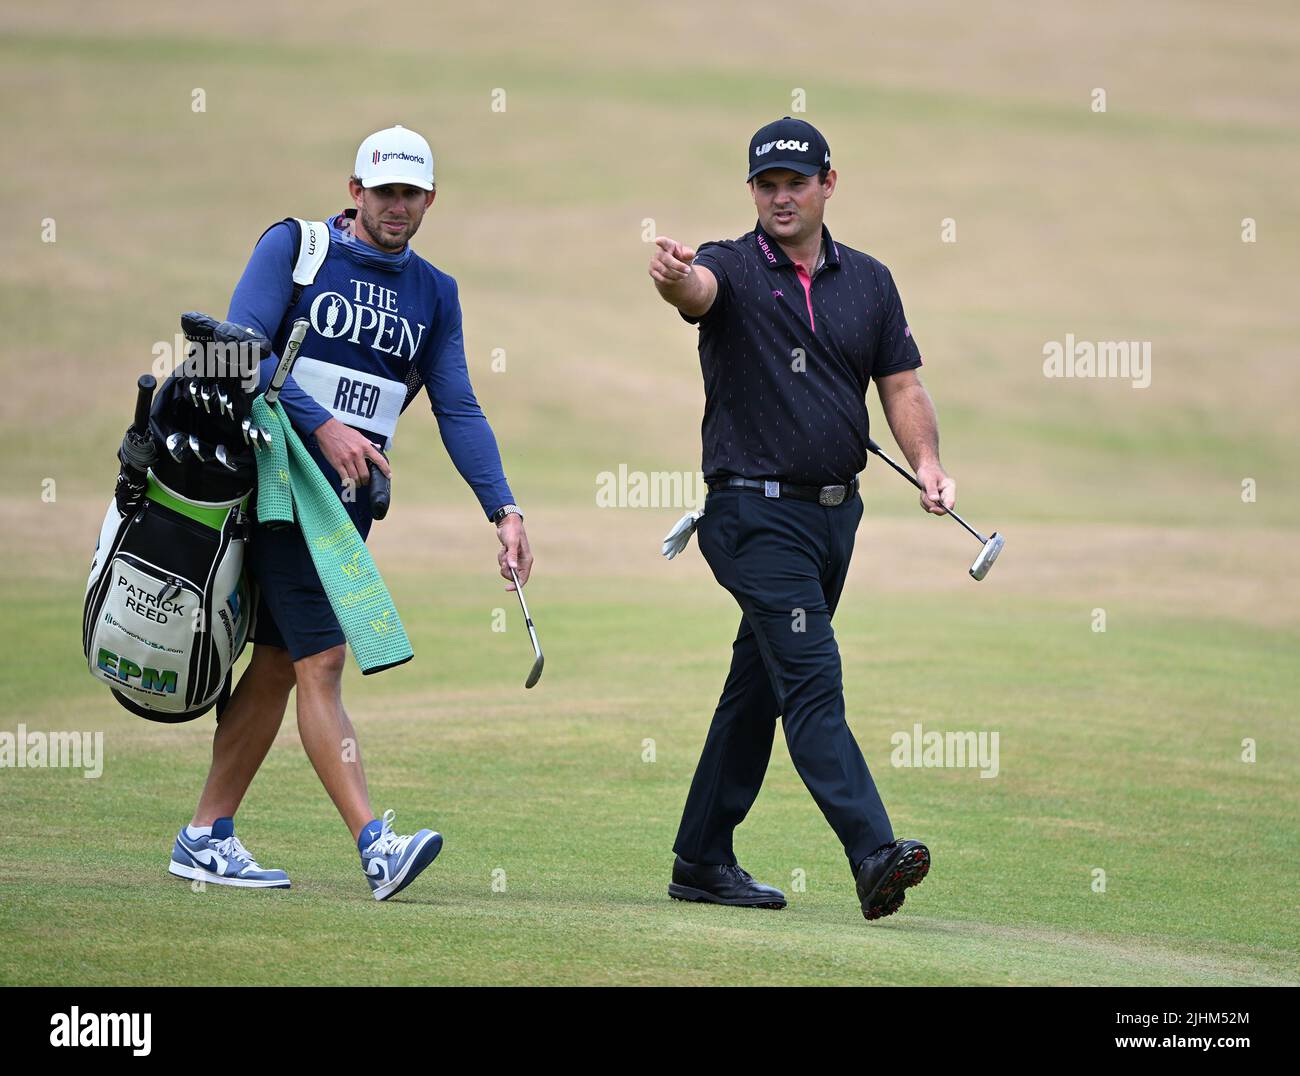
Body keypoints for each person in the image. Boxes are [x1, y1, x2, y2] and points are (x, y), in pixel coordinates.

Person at [167, 125, 533, 901]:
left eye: (411, 193)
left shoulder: (436, 292)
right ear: (354, 190)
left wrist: (503, 508)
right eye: (383, 191)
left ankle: (204, 835)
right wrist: (321, 424)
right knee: (322, 662)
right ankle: (377, 845)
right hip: (273, 488)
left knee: (274, 666)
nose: (396, 206)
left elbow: (459, 407)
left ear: (430, 198)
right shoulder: (293, 247)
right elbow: (236, 351)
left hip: (344, 508)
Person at [648, 117, 941, 921]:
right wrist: (674, 277)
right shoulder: (730, 267)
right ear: (752, 192)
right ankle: (873, 851)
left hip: (833, 522)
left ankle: (702, 857)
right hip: (751, 513)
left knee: (758, 689)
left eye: (795, 183)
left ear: (827, 185)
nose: (781, 197)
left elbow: (903, 387)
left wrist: (928, 464)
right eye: (766, 185)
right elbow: (694, 293)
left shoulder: (870, 282)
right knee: (813, 680)